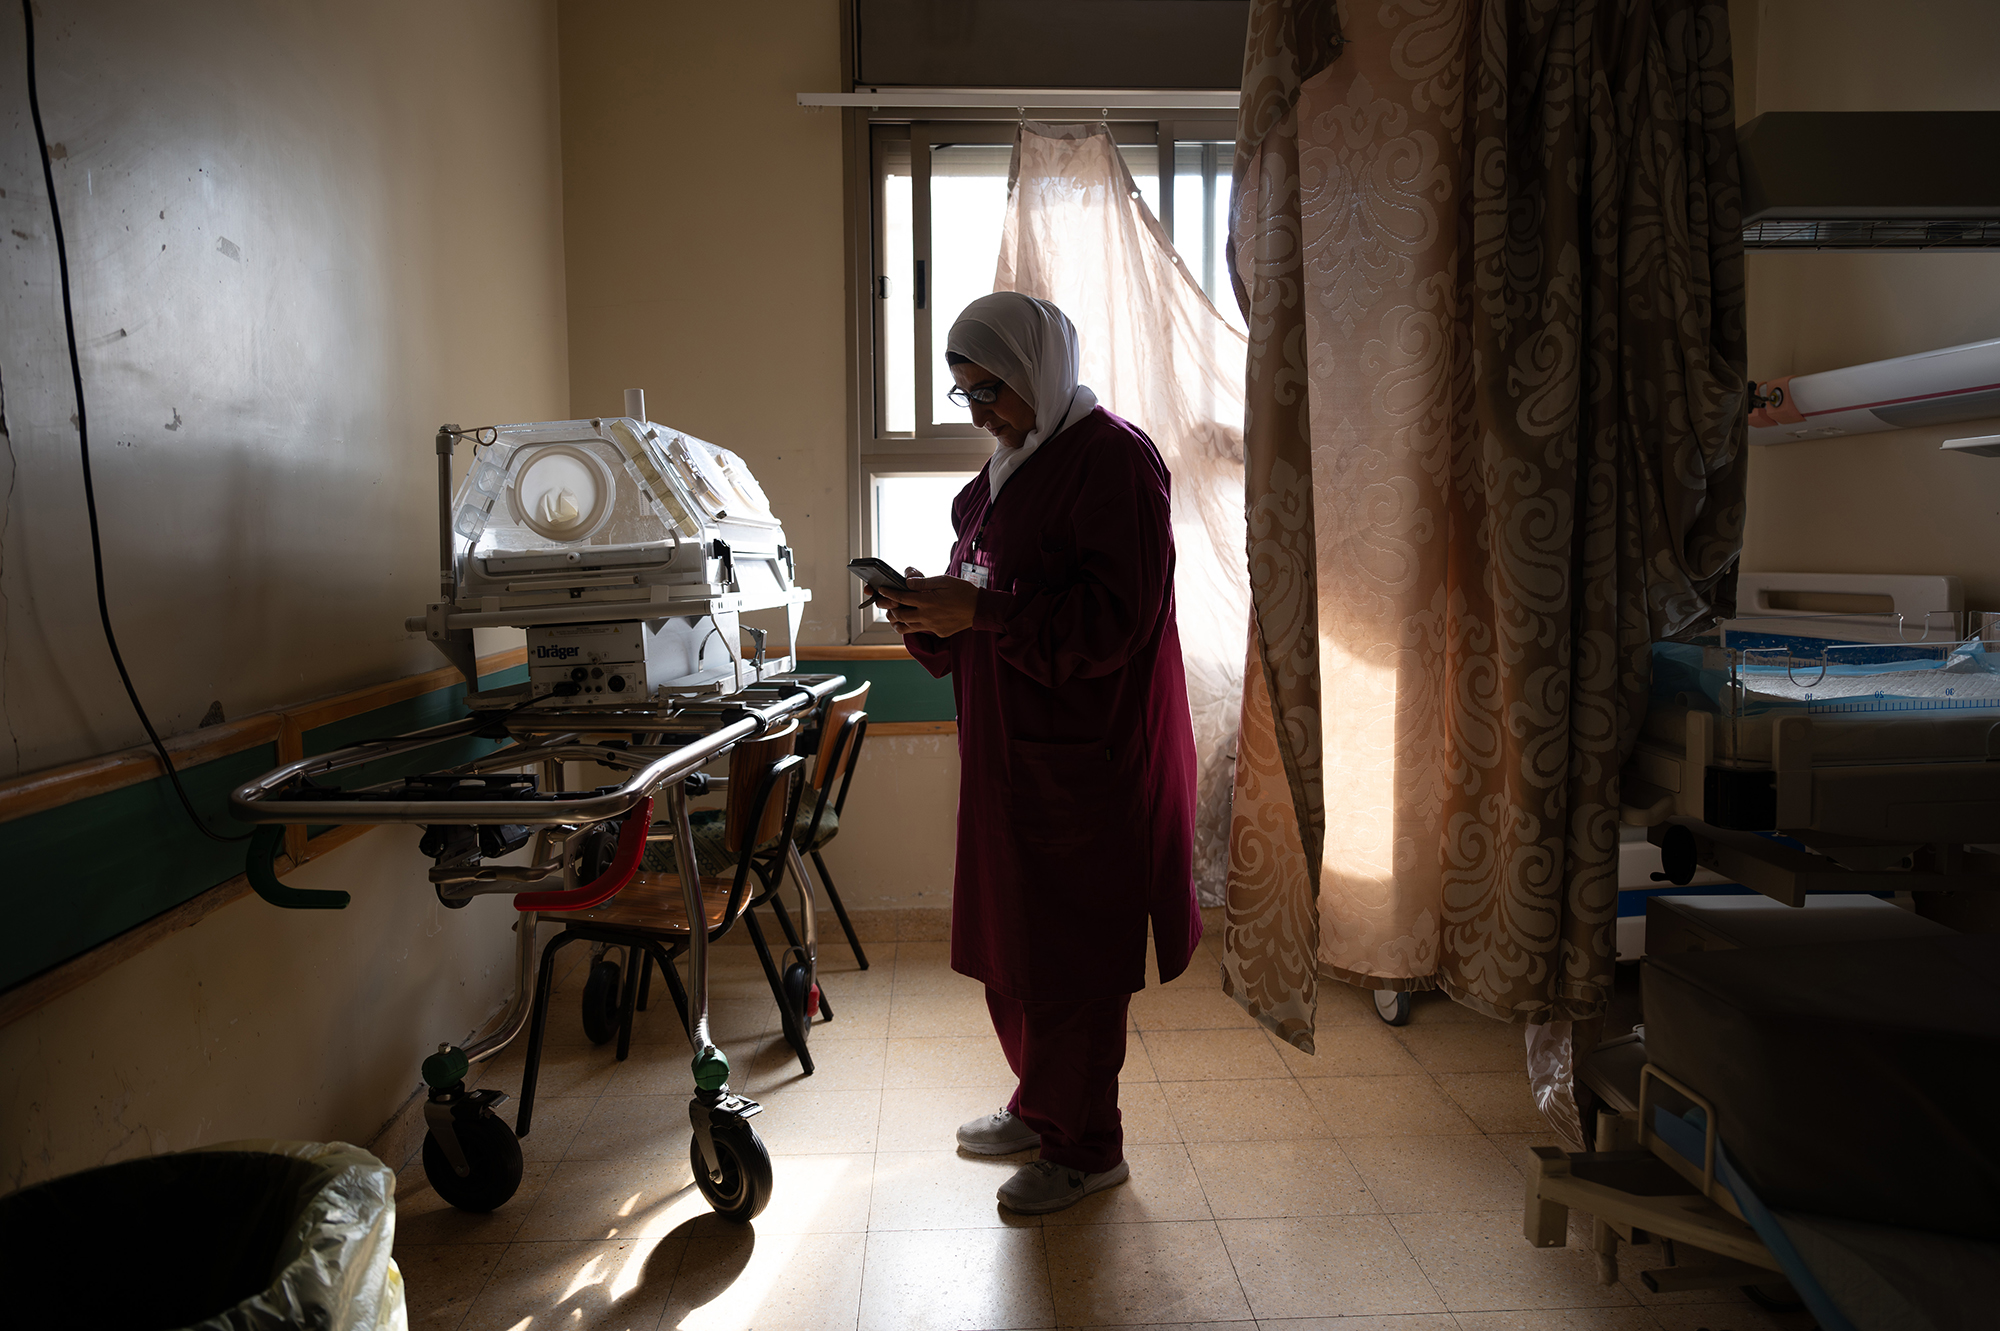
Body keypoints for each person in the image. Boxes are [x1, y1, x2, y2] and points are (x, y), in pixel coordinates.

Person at [869, 292, 1200, 1215]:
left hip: (1085, 767)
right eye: (965, 393)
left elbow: (1115, 621)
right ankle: (1042, 1103)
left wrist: (981, 614)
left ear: (1041, 372)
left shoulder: (1113, 465)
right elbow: (980, 598)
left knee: (1073, 960)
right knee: (1013, 946)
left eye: (994, 390)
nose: (980, 413)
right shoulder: (998, 479)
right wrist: (926, 618)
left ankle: (1089, 1147)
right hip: (1009, 760)